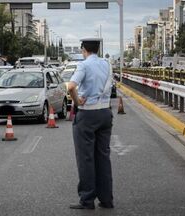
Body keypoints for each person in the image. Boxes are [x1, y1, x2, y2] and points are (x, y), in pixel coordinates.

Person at [68, 38, 114, 210]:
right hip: (105, 113)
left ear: (83, 50)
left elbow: (71, 86)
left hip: (87, 115)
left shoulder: (84, 65)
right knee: (103, 157)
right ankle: (107, 199)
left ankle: (87, 200)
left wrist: (77, 102)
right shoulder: (107, 64)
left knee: (86, 158)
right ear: (98, 49)